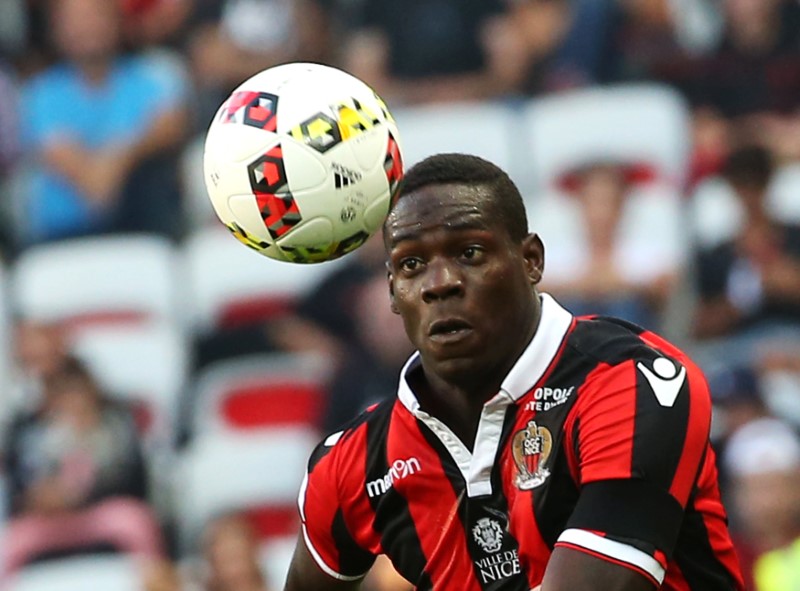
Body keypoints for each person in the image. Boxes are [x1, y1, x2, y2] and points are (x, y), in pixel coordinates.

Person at [283, 153, 744, 590]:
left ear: (531, 261)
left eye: (469, 253)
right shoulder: (352, 462)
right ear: (392, 290)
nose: (440, 283)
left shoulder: (631, 381)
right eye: (412, 264)